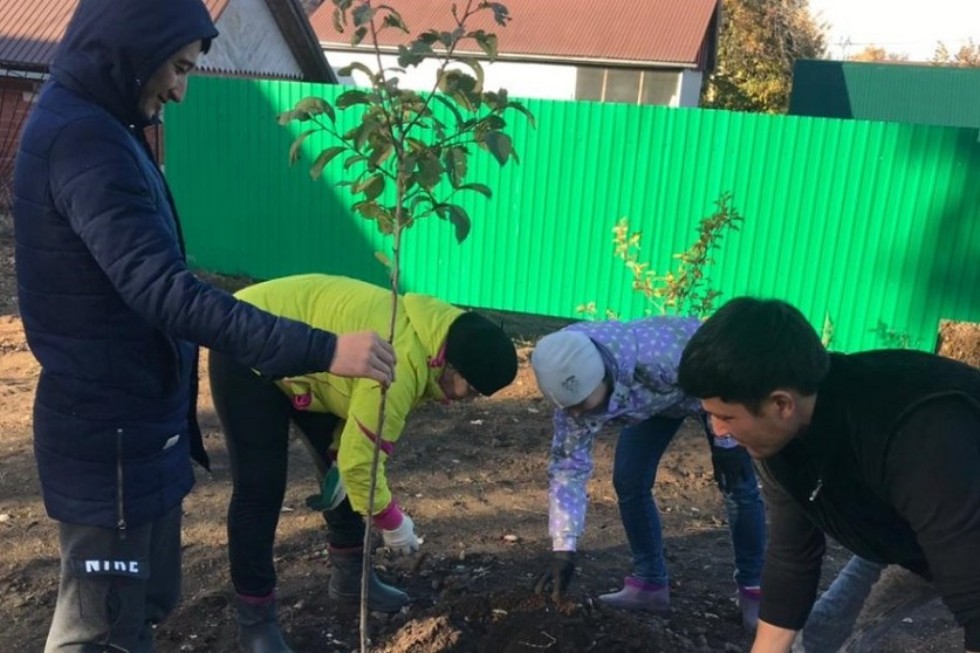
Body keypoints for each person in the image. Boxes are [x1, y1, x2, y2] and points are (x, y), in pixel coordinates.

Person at [11, 2, 396, 651]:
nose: (183, 89)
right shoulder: (86, 143)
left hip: (138, 430)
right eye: (180, 67)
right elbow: (166, 292)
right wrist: (324, 348)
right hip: (109, 439)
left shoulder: (106, 126)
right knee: (101, 630)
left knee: (144, 604)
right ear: (134, 48)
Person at [208, 273, 519, 652]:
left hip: (315, 366)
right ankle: (255, 622)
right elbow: (363, 465)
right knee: (261, 487)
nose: (468, 400)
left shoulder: (433, 332)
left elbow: (352, 451)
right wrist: (393, 522)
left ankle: (351, 578)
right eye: (470, 390)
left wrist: (346, 454)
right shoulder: (399, 367)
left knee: (335, 463)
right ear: (447, 363)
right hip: (250, 342)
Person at [677, 297, 980, 653]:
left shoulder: (916, 435)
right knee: (825, 636)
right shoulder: (781, 439)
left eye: (725, 417)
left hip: (960, 524)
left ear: (781, 404)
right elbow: (792, 559)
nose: (718, 431)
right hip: (900, 529)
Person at [528, 317, 766, 631]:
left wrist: (726, 439)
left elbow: (724, 378)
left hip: (710, 386)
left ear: (601, 376)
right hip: (656, 402)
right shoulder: (572, 392)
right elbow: (567, 471)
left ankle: (755, 592)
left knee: (738, 484)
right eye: (567, 407)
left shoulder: (659, 357)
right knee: (629, 479)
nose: (575, 414)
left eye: (581, 404)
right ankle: (650, 585)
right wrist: (564, 548)